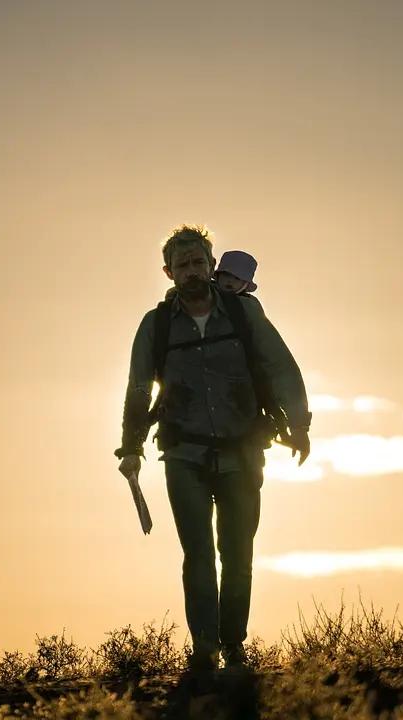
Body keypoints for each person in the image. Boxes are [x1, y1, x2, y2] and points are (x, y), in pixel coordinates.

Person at [115, 224, 310, 677]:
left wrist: (299, 425)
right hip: (184, 454)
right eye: (181, 265)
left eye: (198, 262)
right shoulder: (156, 325)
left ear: (211, 263)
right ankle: (205, 649)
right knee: (198, 554)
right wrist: (131, 446)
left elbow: (281, 367)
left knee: (238, 553)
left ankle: (234, 645)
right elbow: (139, 388)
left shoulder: (244, 315)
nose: (191, 272)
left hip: (243, 452)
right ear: (168, 272)